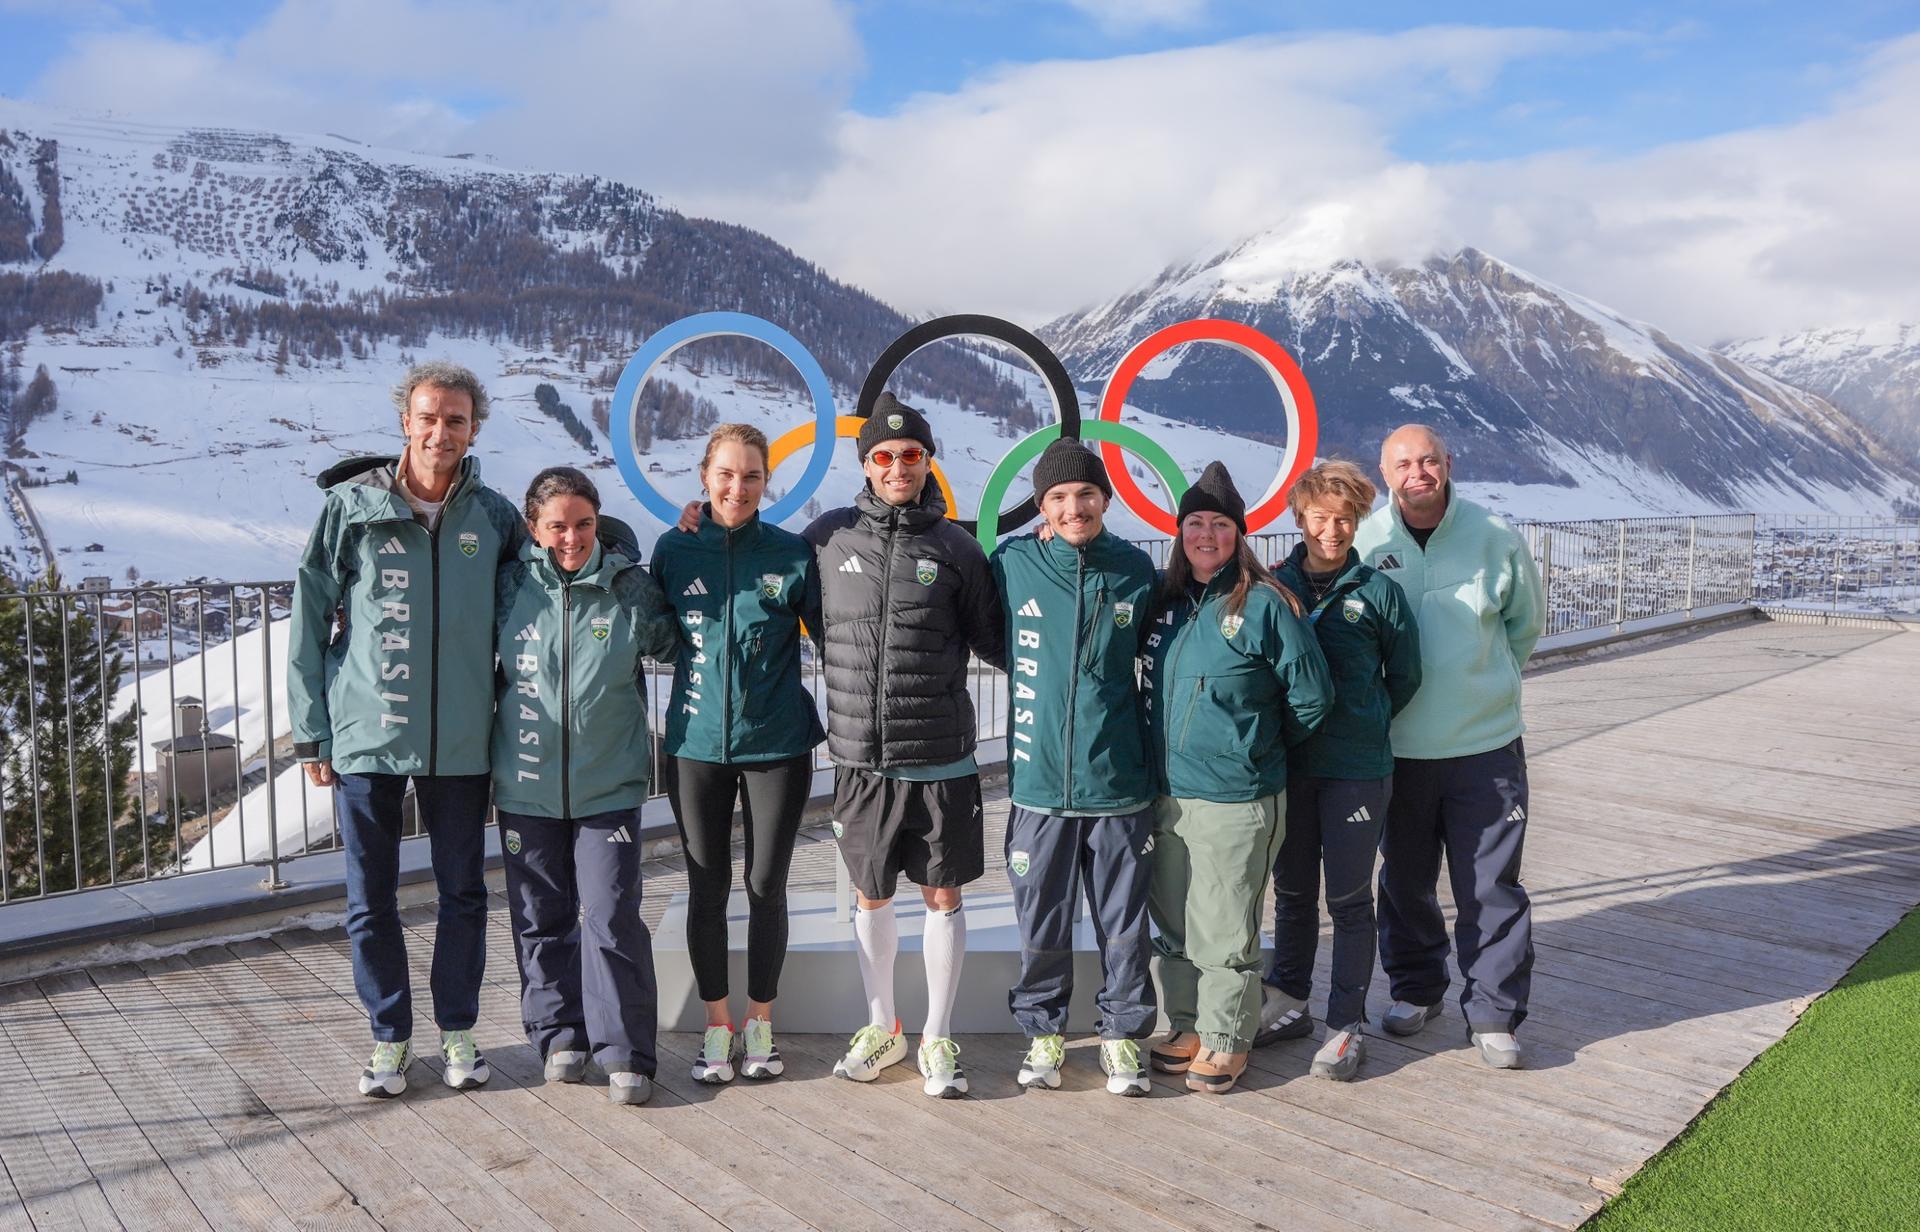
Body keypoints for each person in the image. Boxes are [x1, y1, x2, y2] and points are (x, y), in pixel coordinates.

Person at [288, 361, 525, 1098]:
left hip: (460, 738)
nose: (440, 432)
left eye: (455, 420)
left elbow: (541, 594)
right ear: (405, 422)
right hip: (367, 733)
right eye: (428, 417)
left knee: (464, 893)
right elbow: (309, 615)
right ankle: (389, 1036)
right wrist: (311, 731)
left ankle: (457, 1030)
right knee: (370, 899)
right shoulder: (350, 509)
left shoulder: (493, 517)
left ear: (474, 430)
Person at [805, 393, 1004, 1098]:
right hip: (860, 757)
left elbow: (999, 642)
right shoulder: (827, 538)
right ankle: (882, 1026)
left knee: (942, 894)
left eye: (911, 454)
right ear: (866, 464)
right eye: (884, 456)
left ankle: (938, 1035)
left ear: (928, 462)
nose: (898, 466)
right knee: (872, 895)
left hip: (941, 755)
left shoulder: (958, 549)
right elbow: (785, 605)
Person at [1353, 424, 1545, 1069]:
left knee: (1490, 885)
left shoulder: (1495, 536)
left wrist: (1481, 687)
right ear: (1385, 473)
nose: (1418, 472)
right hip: (1398, 748)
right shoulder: (1366, 541)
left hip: (1485, 745)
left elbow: (1524, 627)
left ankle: (1493, 1013)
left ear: (1448, 464)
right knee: (1405, 881)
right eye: (1404, 463)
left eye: (1428, 460)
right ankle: (1417, 989)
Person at [492, 467, 681, 1105]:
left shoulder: (629, 588)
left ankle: (625, 1051)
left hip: (608, 788)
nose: (571, 537)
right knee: (539, 919)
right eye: (557, 526)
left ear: (599, 523)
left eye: (583, 524)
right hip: (525, 784)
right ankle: (559, 1036)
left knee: (610, 916)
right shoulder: (510, 586)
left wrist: (699, 532)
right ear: (533, 528)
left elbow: (682, 643)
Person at [1142, 462, 1333, 1094]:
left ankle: (1227, 1038)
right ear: (1180, 533)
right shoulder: (1165, 602)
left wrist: (1255, 746)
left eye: (1220, 524)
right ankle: (1188, 1024)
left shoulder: (1265, 605)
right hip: (1168, 792)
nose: (1206, 534)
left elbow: (1312, 697)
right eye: (1195, 522)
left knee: (1225, 926)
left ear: (1239, 534)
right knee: (1175, 921)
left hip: (1236, 796)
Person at [652, 423, 825, 1085]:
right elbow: (647, 621)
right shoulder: (675, 548)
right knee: (706, 886)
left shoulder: (791, 553)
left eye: (752, 476)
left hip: (777, 743)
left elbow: (838, 634)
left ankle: (760, 1023)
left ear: (766, 482)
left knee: (765, 886)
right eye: (725, 474)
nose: (738, 487)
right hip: (696, 744)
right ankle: (717, 1024)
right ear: (705, 476)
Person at [989, 439, 1158, 1096]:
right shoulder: (1015, 563)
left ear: (1105, 500)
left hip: (1118, 785)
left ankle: (1121, 1036)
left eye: (1085, 494)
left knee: (1125, 927)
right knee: (1042, 922)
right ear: (1042, 506)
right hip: (1039, 785)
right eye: (1058, 497)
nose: (1073, 507)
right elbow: (983, 629)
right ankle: (1044, 1033)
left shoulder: (1135, 569)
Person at [1255, 460, 1421, 1081]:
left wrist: (1364, 722)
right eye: (1320, 518)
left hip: (1356, 769)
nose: (1332, 531)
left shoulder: (1379, 593)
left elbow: (1405, 677)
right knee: (1293, 893)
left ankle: (1346, 1023)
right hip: (1291, 767)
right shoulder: (1272, 586)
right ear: (1300, 519)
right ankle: (1289, 1000)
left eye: (1345, 520)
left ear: (1358, 522)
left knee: (1349, 899)